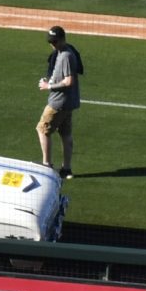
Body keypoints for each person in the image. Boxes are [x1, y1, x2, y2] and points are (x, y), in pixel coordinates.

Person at [36, 25, 82, 179]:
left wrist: (48, 86)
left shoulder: (66, 56)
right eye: (51, 41)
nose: (52, 44)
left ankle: (47, 166)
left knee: (42, 130)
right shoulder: (64, 52)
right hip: (68, 103)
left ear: (63, 39)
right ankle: (66, 169)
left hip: (58, 103)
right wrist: (49, 80)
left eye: (55, 41)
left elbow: (69, 81)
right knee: (65, 134)